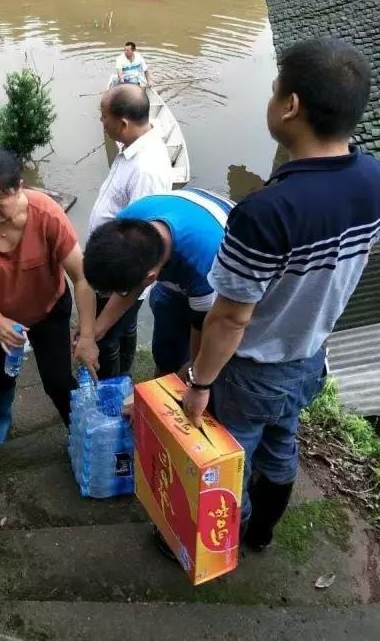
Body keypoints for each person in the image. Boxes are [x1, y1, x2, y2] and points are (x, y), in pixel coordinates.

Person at [183, 38, 380, 552]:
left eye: (274, 92)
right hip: (311, 357)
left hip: (254, 369)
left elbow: (229, 318)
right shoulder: (373, 179)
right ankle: (262, 536)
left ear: (290, 107)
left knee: (233, 457)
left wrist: (199, 382)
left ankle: (223, 542)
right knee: (281, 444)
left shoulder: (266, 211)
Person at [0, 148, 96, 447]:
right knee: (0, 374)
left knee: (57, 380)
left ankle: (78, 432)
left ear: (19, 188)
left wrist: (88, 335)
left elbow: (82, 277)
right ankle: (2, 417)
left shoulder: (47, 215)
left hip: (47, 309)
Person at [76, 189, 233, 380]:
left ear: (151, 277)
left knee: (200, 366)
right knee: (166, 349)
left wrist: (193, 373)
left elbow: (204, 329)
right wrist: (92, 333)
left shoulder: (202, 266)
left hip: (219, 266)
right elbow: (131, 286)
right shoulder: (125, 228)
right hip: (181, 242)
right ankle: (163, 374)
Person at [87, 85, 173, 378]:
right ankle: (123, 375)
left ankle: (110, 389)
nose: (101, 122)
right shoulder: (132, 150)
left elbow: (140, 240)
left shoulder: (146, 168)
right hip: (111, 264)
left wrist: (123, 286)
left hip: (120, 273)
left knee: (109, 335)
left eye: (103, 116)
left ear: (122, 122)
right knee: (124, 329)